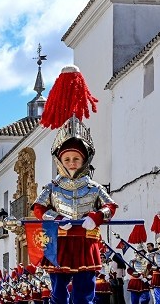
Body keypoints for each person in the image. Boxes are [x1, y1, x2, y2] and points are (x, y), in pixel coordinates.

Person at [31, 66, 117, 304]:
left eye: (76, 159)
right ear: (61, 161)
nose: (71, 163)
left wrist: (97, 217)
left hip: (86, 241)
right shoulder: (52, 187)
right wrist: (55, 219)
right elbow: (37, 209)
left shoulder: (94, 187)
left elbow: (111, 207)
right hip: (60, 241)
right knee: (58, 293)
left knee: (84, 293)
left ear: (84, 160)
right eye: (67, 159)